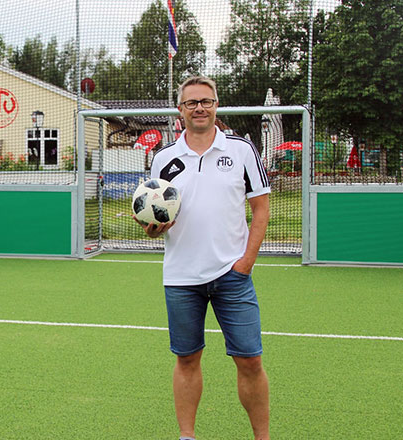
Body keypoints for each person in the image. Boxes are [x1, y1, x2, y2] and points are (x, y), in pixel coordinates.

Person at [135, 76, 271, 440]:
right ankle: (187, 436)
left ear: (216, 106)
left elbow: (261, 208)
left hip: (232, 274)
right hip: (181, 276)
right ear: (180, 110)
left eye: (206, 101)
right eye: (192, 102)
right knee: (187, 358)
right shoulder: (164, 158)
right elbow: (157, 210)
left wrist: (246, 262)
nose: (200, 108)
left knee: (250, 360)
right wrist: (152, 228)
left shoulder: (242, 150)